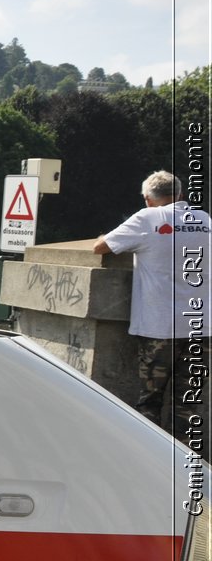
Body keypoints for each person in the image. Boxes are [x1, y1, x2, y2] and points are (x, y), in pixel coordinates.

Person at [92, 171, 210, 453]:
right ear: (180, 196)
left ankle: (150, 460)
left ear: (148, 199)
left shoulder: (147, 219)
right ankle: (187, 466)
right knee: (189, 403)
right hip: (202, 329)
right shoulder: (204, 221)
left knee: (150, 400)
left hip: (160, 328)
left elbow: (101, 247)